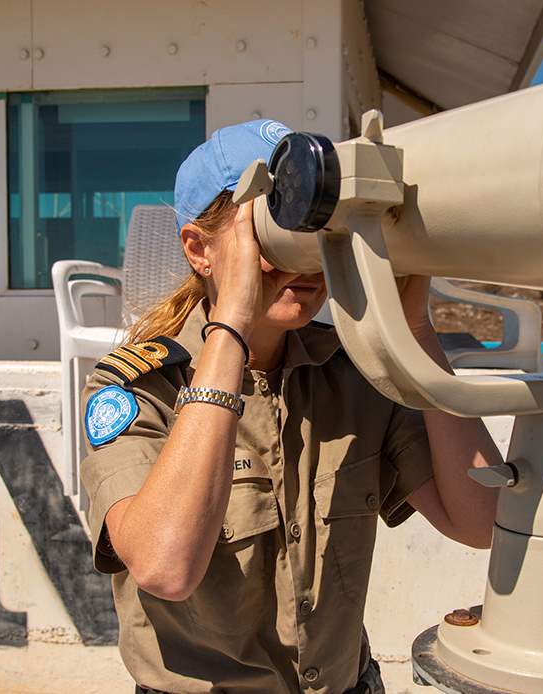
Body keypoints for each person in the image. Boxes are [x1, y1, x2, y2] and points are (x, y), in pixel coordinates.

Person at [81, 119, 502, 694]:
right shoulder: (137, 388)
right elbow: (165, 567)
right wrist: (230, 324)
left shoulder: (354, 377)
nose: (302, 256)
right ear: (198, 249)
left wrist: (413, 331)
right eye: (272, 227)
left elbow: (479, 521)